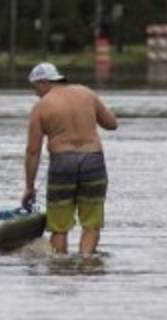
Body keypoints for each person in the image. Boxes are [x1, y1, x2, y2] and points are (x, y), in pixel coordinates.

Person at [20, 62, 117, 256]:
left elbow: (33, 150)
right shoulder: (86, 93)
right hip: (93, 161)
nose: (35, 94)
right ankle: (87, 262)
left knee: (59, 227)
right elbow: (112, 124)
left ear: (43, 82)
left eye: (35, 88)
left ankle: (61, 270)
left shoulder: (41, 107)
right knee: (91, 224)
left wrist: (30, 187)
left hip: (63, 164)